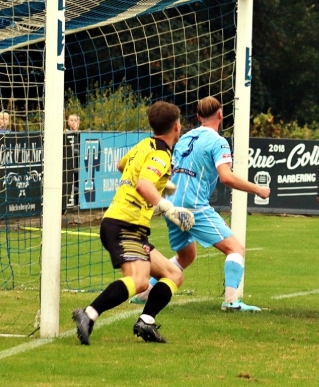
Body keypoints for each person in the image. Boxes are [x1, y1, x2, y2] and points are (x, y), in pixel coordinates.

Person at [72, 101, 195, 345]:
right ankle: (88, 314)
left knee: (173, 273)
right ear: (177, 127)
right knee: (139, 281)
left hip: (130, 226)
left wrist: (162, 183)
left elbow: (122, 165)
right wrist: (169, 208)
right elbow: (143, 185)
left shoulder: (144, 145)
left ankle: (146, 322)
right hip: (124, 224)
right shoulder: (160, 154)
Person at [132, 96, 270, 312]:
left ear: (197, 117)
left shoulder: (185, 137)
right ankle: (231, 301)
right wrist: (258, 189)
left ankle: (144, 293)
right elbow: (226, 177)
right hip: (193, 205)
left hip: (171, 204)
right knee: (235, 249)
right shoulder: (218, 142)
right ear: (221, 115)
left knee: (187, 256)